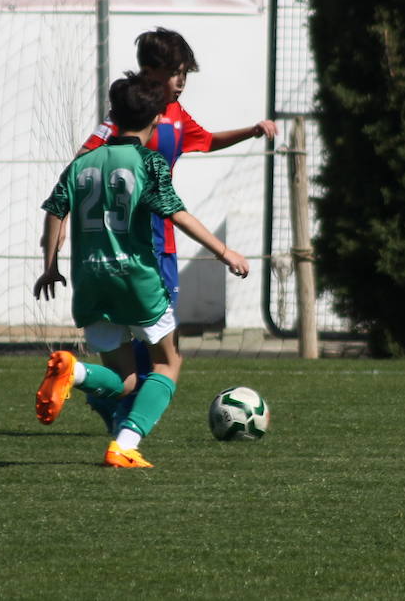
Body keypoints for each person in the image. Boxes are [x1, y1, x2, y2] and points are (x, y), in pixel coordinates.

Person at [33, 74, 250, 468]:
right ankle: (125, 444)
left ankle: (75, 372)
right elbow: (176, 212)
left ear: (113, 116)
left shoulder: (82, 163)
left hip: (89, 281)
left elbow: (55, 210)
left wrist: (49, 267)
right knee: (168, 363)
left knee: (126, 380)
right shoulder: (148, 162)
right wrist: (224, 251)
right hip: (136, 278)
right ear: (154, 120)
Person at [74, 27, 276, 431]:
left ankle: (112, 403)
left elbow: (204, 140)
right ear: (149, 72)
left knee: (159, 342)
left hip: (163, 246)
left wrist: (250, 131)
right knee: (149, 345)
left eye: (185, 73)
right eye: (174, 73)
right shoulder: (126, 118)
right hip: (129, 247)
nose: (181, 82)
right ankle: (120, 412)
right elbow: (84, 158)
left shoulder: (177, 116)